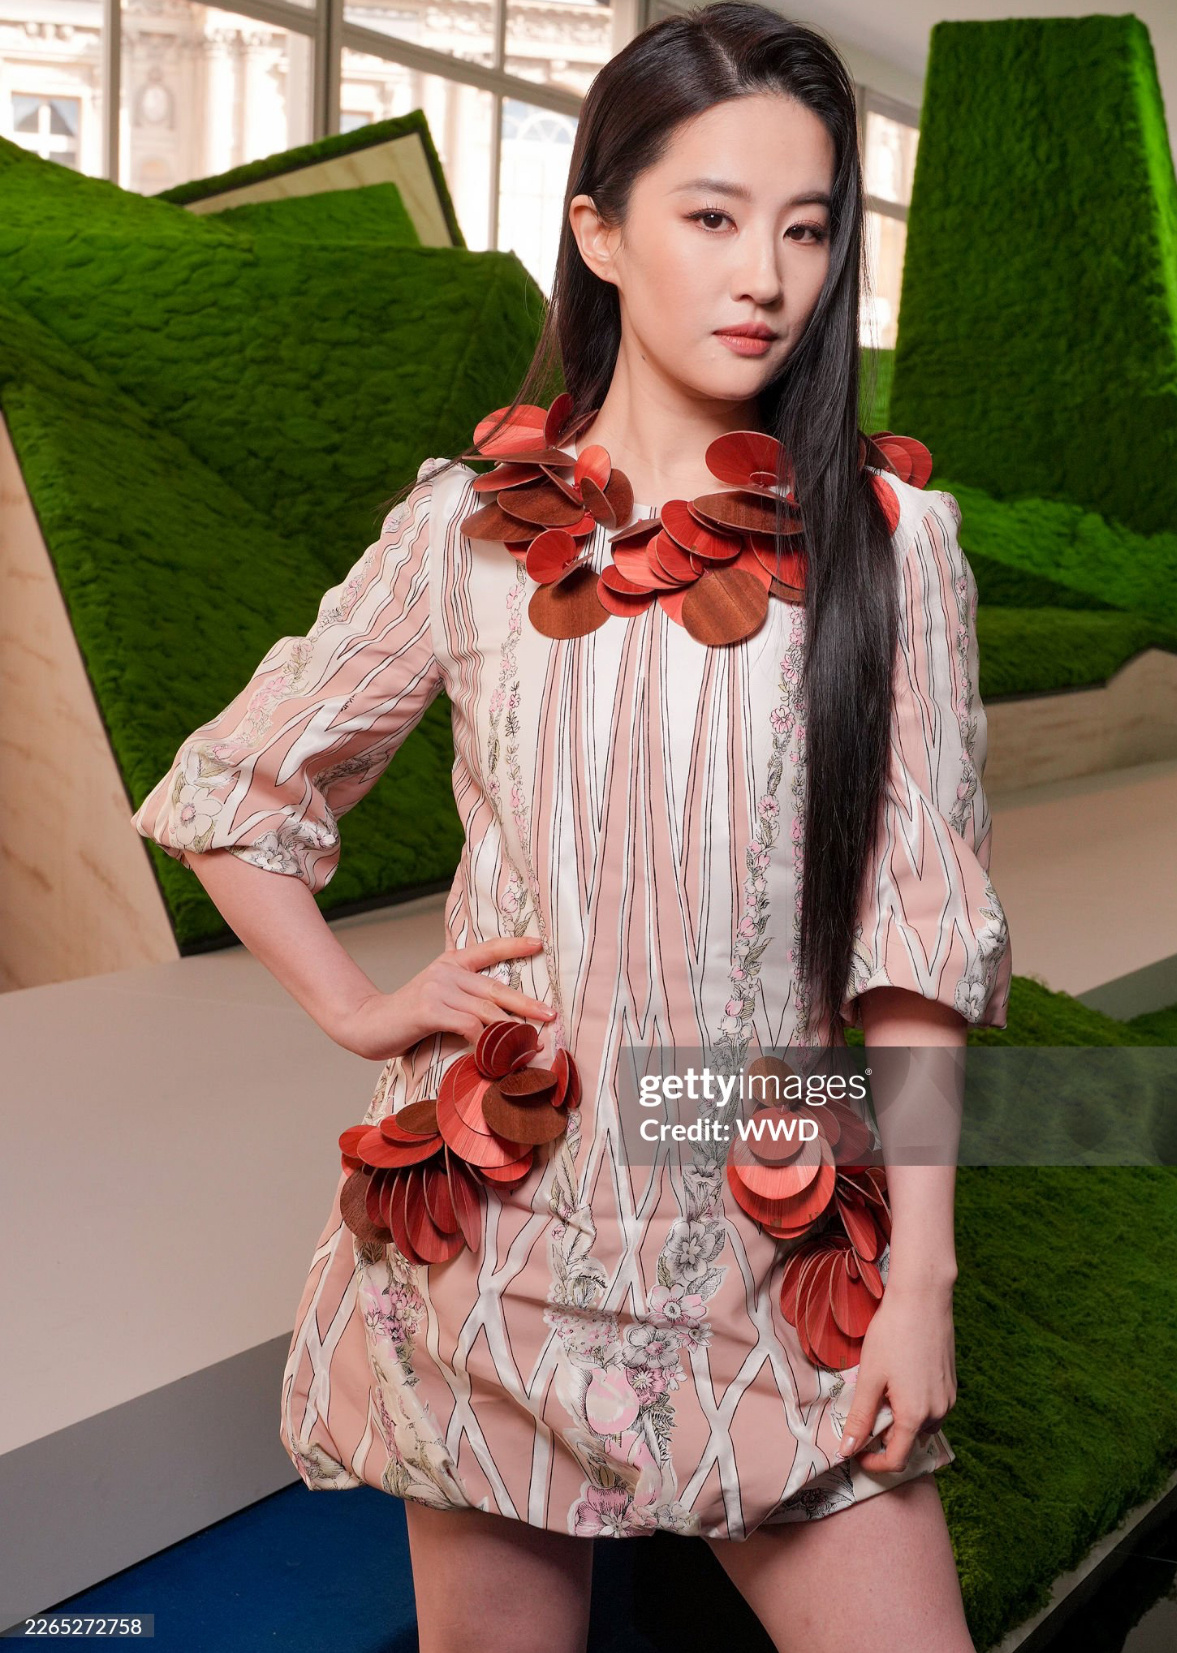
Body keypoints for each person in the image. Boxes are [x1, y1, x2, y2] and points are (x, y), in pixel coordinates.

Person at [130, 4, 1012, 1649]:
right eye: (713, 216)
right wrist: (361, 1007)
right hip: (500, 1229)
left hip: (770, 1235)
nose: (766, 275)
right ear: (601, 233)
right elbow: (237, 786)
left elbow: (920, 936)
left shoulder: (896, 542)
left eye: (807, 227)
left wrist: (925, 1279)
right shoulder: (465, 531)